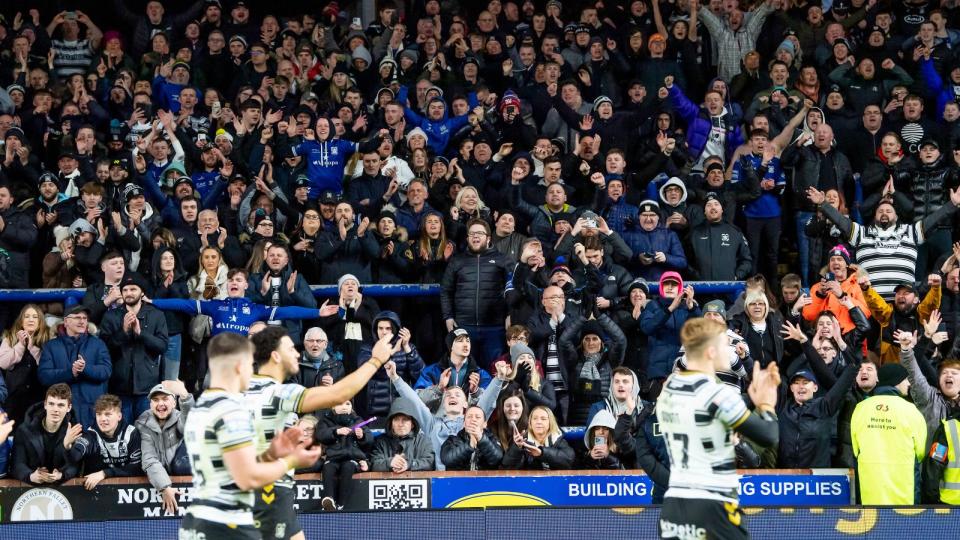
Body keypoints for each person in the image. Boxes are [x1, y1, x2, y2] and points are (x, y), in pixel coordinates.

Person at [244, 327, 400, 539]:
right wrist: (375, 360)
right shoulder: (278, 393)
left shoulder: (241, 390)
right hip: (268, 491)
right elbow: (338, 394)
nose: (298, 354)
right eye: (291, 349)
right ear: (275, 356)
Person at [178, 333, 322, 540]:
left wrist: (270, 454)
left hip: (197, 521)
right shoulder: (230, 411)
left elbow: (230, 470)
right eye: (249, 365)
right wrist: (291, 461)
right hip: (225, 522)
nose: (252, 372)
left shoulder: (200, 409)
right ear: (239, 366)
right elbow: (247, 478)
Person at [657, 318, 781, 540]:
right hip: (713, 503)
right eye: (726, 344)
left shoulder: (668, 390)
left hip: (673, 506)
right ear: (711, 352)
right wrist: (766, 404)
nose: (731, 350)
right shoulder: (716, 393)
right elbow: (768, 435)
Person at [384, 357, 507, 471]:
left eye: (457, 395)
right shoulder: (432, 424)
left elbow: (487, 401)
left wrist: (499, 378)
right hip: (439, 480)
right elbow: (415, 402)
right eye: (448, 395)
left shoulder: (471, 419)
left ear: (465, 403)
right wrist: (395, 378)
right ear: (443, 403)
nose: (452, 396)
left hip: (468, 479)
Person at [851, 340, 928, 505]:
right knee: (903, 530)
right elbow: (920, 451)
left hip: (870, 490)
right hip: (904, 489)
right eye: (905, 380)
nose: (908, 383)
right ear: (897, 382)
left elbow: (856, 448)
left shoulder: (860, 408)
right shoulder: (910, 410)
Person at [440, 218, 513, 366]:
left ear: (488, 238)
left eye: (479, 233)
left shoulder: (503, 260)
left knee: (494, 370)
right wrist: (448, 316)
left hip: (495, 327)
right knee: (465, 371)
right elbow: (446, 291)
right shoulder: (457, 261)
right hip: (464, 327)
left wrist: (511, 314)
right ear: (467, 238)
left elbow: (513, 291)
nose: (475, 236)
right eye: (472, 233)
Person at [99, 273, 169, 420]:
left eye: (133, 289)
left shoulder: (156, 314)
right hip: (119, 387)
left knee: (146, 432)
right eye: (125, 290)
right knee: (122, 432)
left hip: (147, 388)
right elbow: (104, 349)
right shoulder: (111, 316)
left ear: (142, 291)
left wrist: (140, 333)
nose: (129, 293)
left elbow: (162, 346)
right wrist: (123, 331)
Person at [37, 305, 112, 428]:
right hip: (62, 411)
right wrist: (70, 372)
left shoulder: (98, 344)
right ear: (66, 321)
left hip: (93, 410)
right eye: (77, 317)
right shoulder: (51, 346)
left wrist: (85, 368)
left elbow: (106, 371)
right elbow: (44, 376)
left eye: (84, 318)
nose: (82, 321)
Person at [136, 380, 193, 516]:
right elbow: (149, 459)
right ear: (150, 405)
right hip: (159, 475)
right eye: (155, 400)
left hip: (184, 475)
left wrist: (184, 396)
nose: (160, 403)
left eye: (165, 399)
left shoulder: (180, 418)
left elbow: (191, 424)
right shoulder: (143, 425)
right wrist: (165, 487)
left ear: (174, 403)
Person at [65, 393, 142, 491]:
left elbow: (137, 467)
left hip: (128, 492)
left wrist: (105, 473)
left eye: (108, 414)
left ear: (119, 416)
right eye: (99, 414)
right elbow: (77, 453)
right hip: (96, 492)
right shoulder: (91, 434)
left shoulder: (131, 433)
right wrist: (67, 445)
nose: (102, 419)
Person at [9, 383, 80, 485]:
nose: (55, 409)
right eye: (51, 404)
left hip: (62, 488)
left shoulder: (74, 430)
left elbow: (76, 466)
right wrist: (31, 476)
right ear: (45, 404)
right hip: (30, 488)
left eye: (60, 405)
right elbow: (17, 464)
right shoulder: (25, 430)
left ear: (69, 408)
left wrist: (61, 475)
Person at [315, 399, 373, 511]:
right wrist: (336, 432)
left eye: (348, 403)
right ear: (332, 407)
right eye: (339, 403)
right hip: (333, 458)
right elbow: (321, 435)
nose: (344, 406)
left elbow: (369, 441)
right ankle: (329, 499)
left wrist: (362, 436)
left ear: (352, 407)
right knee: (328, 467)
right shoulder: (325, 421)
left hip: (352, 458)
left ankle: (341, 504)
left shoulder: (358, 420)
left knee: (348, 467)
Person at [369, 397, 435, 473]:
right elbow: (373, 464)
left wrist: (408, 464)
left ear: (412, 424)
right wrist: (390, 462)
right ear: (391, 423)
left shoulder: (424, 441)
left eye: (405, 419)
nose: (400, 424)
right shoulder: (381, 442)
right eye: (396, 419)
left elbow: (429, 462)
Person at [501, 405, 575, 470]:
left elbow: (569, 460)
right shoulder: (523, 441)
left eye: (543, 419)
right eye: (535, 418)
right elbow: (507, 466)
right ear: (530, 422)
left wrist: (541, 453)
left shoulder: (557, 438)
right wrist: (517, 447)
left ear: (550, 422)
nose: (538, 422)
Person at [440, 405, 504, 471]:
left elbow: (497, 459)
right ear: (464, 424)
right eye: (469, 417)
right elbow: (447, 460)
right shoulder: (453, 440)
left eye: (477, 417)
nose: (473, 419)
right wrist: (469, 446)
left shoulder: (492, 439)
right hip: (460, 480)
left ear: (485, 424)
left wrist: (481, 438)